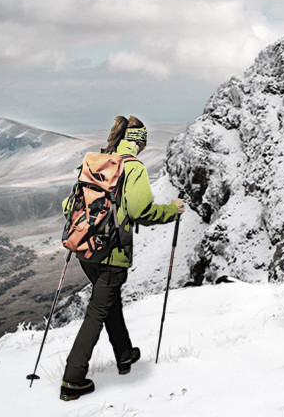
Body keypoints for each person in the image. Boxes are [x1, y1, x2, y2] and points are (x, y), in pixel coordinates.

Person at [60, 116, 185, 402]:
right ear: (139, 141)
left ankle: (124, 354)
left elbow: (68, 205)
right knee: (97, 311)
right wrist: (172, 210)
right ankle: (72, 380)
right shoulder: (133, 167)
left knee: (108, 302)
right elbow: (142, 211)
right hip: (112, 254)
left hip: (86, 251)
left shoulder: (97, 162)